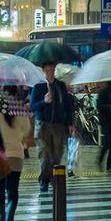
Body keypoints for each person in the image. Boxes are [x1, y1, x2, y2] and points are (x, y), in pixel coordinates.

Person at [0, 88, 33, 221]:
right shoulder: (20, 111)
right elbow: (27, 131)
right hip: (16, 156)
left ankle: (1, 215)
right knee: (13, 191)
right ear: (16, 95)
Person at [30, 63, 75, 192]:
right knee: (44, 154)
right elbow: (33, 107)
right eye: (48, 70)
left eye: (52, 70)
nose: (50, 72)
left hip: (59, 125)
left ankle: (52, 178)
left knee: (57, 154)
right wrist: (44, 101)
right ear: (43, 71)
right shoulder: (38, 87)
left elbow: (67, 106)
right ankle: (44, 180)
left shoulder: (60, 86)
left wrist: (70, 123)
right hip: (43, 124)